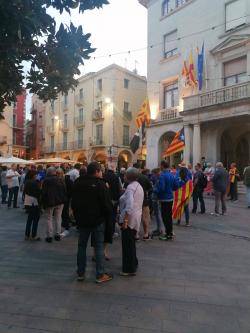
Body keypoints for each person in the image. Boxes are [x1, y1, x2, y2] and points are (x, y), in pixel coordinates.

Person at [72, 162, 113, 284]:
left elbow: (73, 202)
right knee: (99, 247)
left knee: (81, 246)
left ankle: (80, 272)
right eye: (100, 170)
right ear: (96, 171)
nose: (102, 173)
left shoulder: (78, 183)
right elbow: (107, 204)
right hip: (97, 221)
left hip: (82, 220)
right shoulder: (100, 184)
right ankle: (100, 274)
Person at [119, 167, 144, 276]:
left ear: (128, 176)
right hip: (136, 217)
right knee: (131, 243)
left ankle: (128, 268)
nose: (123, 176)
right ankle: (133, 263)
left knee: (127, 244)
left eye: (125, 175)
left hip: (129, 219)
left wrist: (125, 221)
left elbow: (129, 206)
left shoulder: (130, 187)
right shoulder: (138, 186)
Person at [155, 160, 179, 241]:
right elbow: (176, 186)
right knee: (169, 217)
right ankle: (170, 232)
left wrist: (155, 190)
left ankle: (168, 234)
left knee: (165, 217)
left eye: (160, 165)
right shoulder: (172, 174)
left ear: (162, 166)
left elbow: (161, 188)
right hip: (170, 198)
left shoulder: (162, 175)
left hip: (164, 198)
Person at [41, 167, 67, 243]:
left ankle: (49, 236)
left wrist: (42, 202)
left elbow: (44, 192)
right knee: (58, 218)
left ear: (48, 172)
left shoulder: (46, 180)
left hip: (50, 202)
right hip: (60, 202)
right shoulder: (60, 179)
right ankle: (57, 234)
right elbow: (64, 190)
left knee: (49, 218)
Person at [24, 170, 41, 240]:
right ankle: (34, 235)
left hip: (28, 201)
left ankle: (27, 235)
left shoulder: (27, 182)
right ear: (33, 175)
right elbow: (38, 192)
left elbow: (25, 191)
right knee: (36, 219)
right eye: (36, 175)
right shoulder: (35, 182)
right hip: (34, 201)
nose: (37, 176)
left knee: (29, 219)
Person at [137, 168, 153, 240]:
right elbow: (150, 188)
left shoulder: (131, 177)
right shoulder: (144, 177)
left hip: (134, 200)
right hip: (144, 199)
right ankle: (146, 234)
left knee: (136, 217)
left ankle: (136, 234)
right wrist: (147, 193)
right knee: (145, 217)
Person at [151, 168, 163, 236]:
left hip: (157, 198)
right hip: (158, 198)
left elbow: (159, 189)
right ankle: (159, 228)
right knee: (158, 214)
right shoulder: (159, 178)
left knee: (158, 215)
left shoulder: (159, 179)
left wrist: (153, 188)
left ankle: (159, 229)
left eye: (153, 174)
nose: (153, 175)